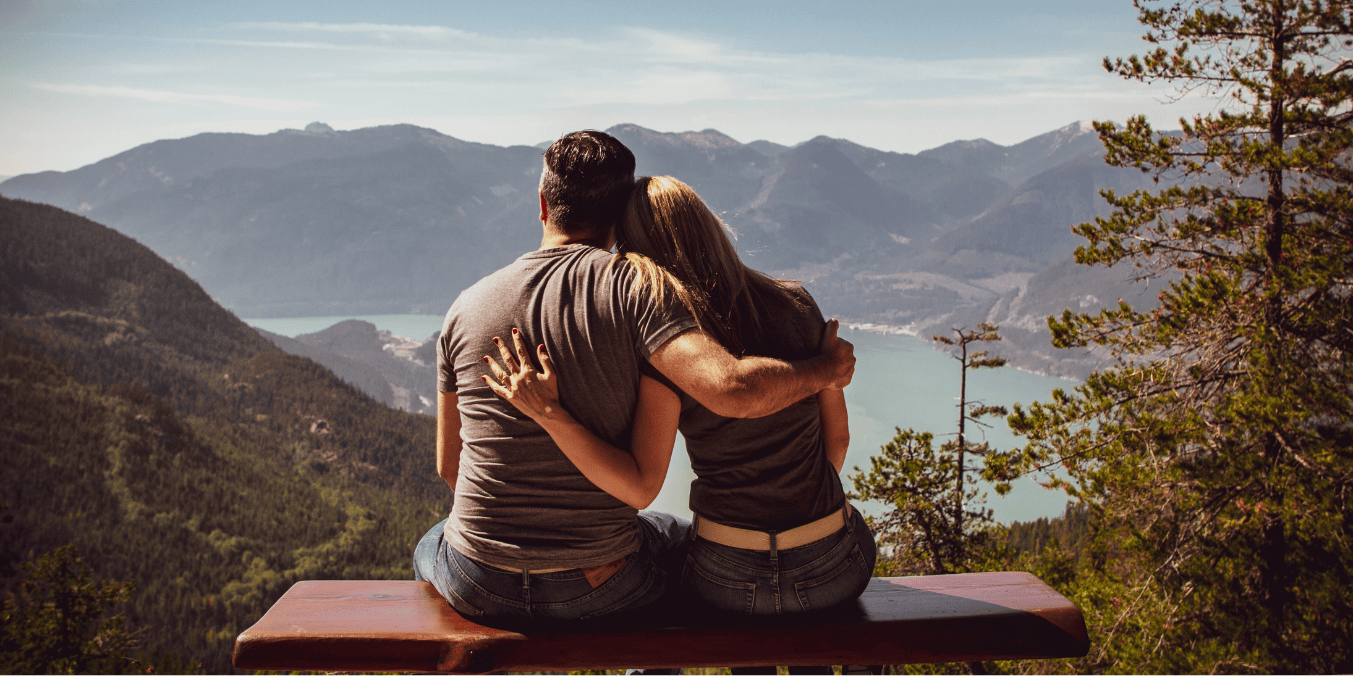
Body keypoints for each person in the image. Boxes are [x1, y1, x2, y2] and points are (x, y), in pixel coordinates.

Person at [414, 132, 856, 628]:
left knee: (432, 541)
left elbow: (451, 468)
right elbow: (725, 397)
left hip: (478, 580)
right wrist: (826, 370)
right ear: (619, 214)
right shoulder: (639, 292)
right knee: (669, 536)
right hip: (601, 583)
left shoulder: (463, 307)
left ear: (542, 204)